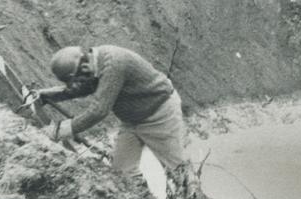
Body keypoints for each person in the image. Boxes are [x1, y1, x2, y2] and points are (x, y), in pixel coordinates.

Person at [36, 46, 188, 187]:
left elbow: (99, 110)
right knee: (122, 171)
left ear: (81, 67)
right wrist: (46, 95)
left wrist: (60, 130)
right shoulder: (89, 64)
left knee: (178, 170)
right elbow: (82, 87)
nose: (76, 84)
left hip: (160, 114)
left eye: (76, 79)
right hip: (132, 121)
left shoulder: (114, 64)